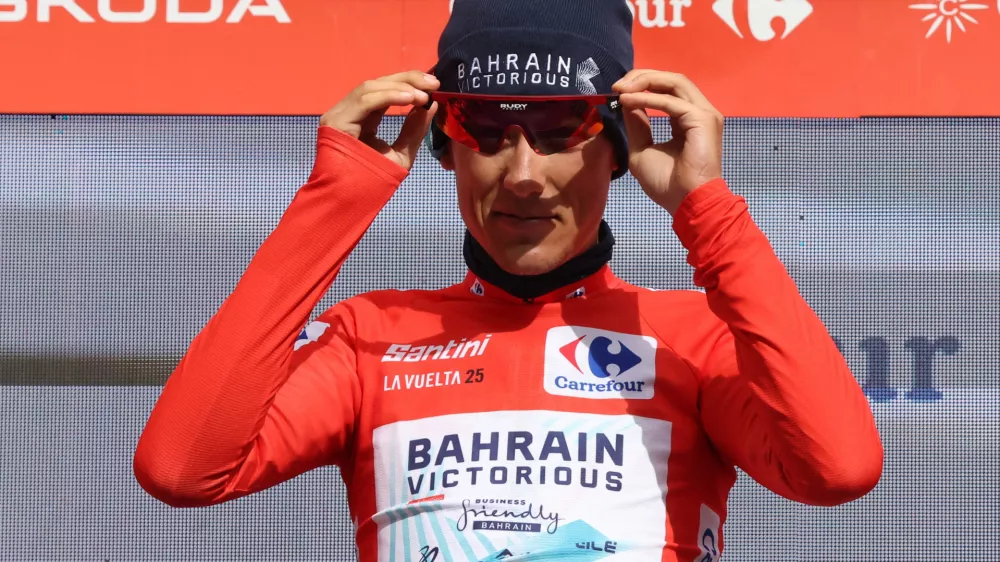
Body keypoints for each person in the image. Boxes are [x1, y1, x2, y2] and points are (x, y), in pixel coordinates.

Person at [133, 0, 884, 560]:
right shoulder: (369, 338)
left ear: (621, 150)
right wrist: (333, 204)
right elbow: (182, 470)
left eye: (563, 133)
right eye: (489, 132)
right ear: (445, 148)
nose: (524, 176)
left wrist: (706, 208)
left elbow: (840, 469)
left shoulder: (689, 337)